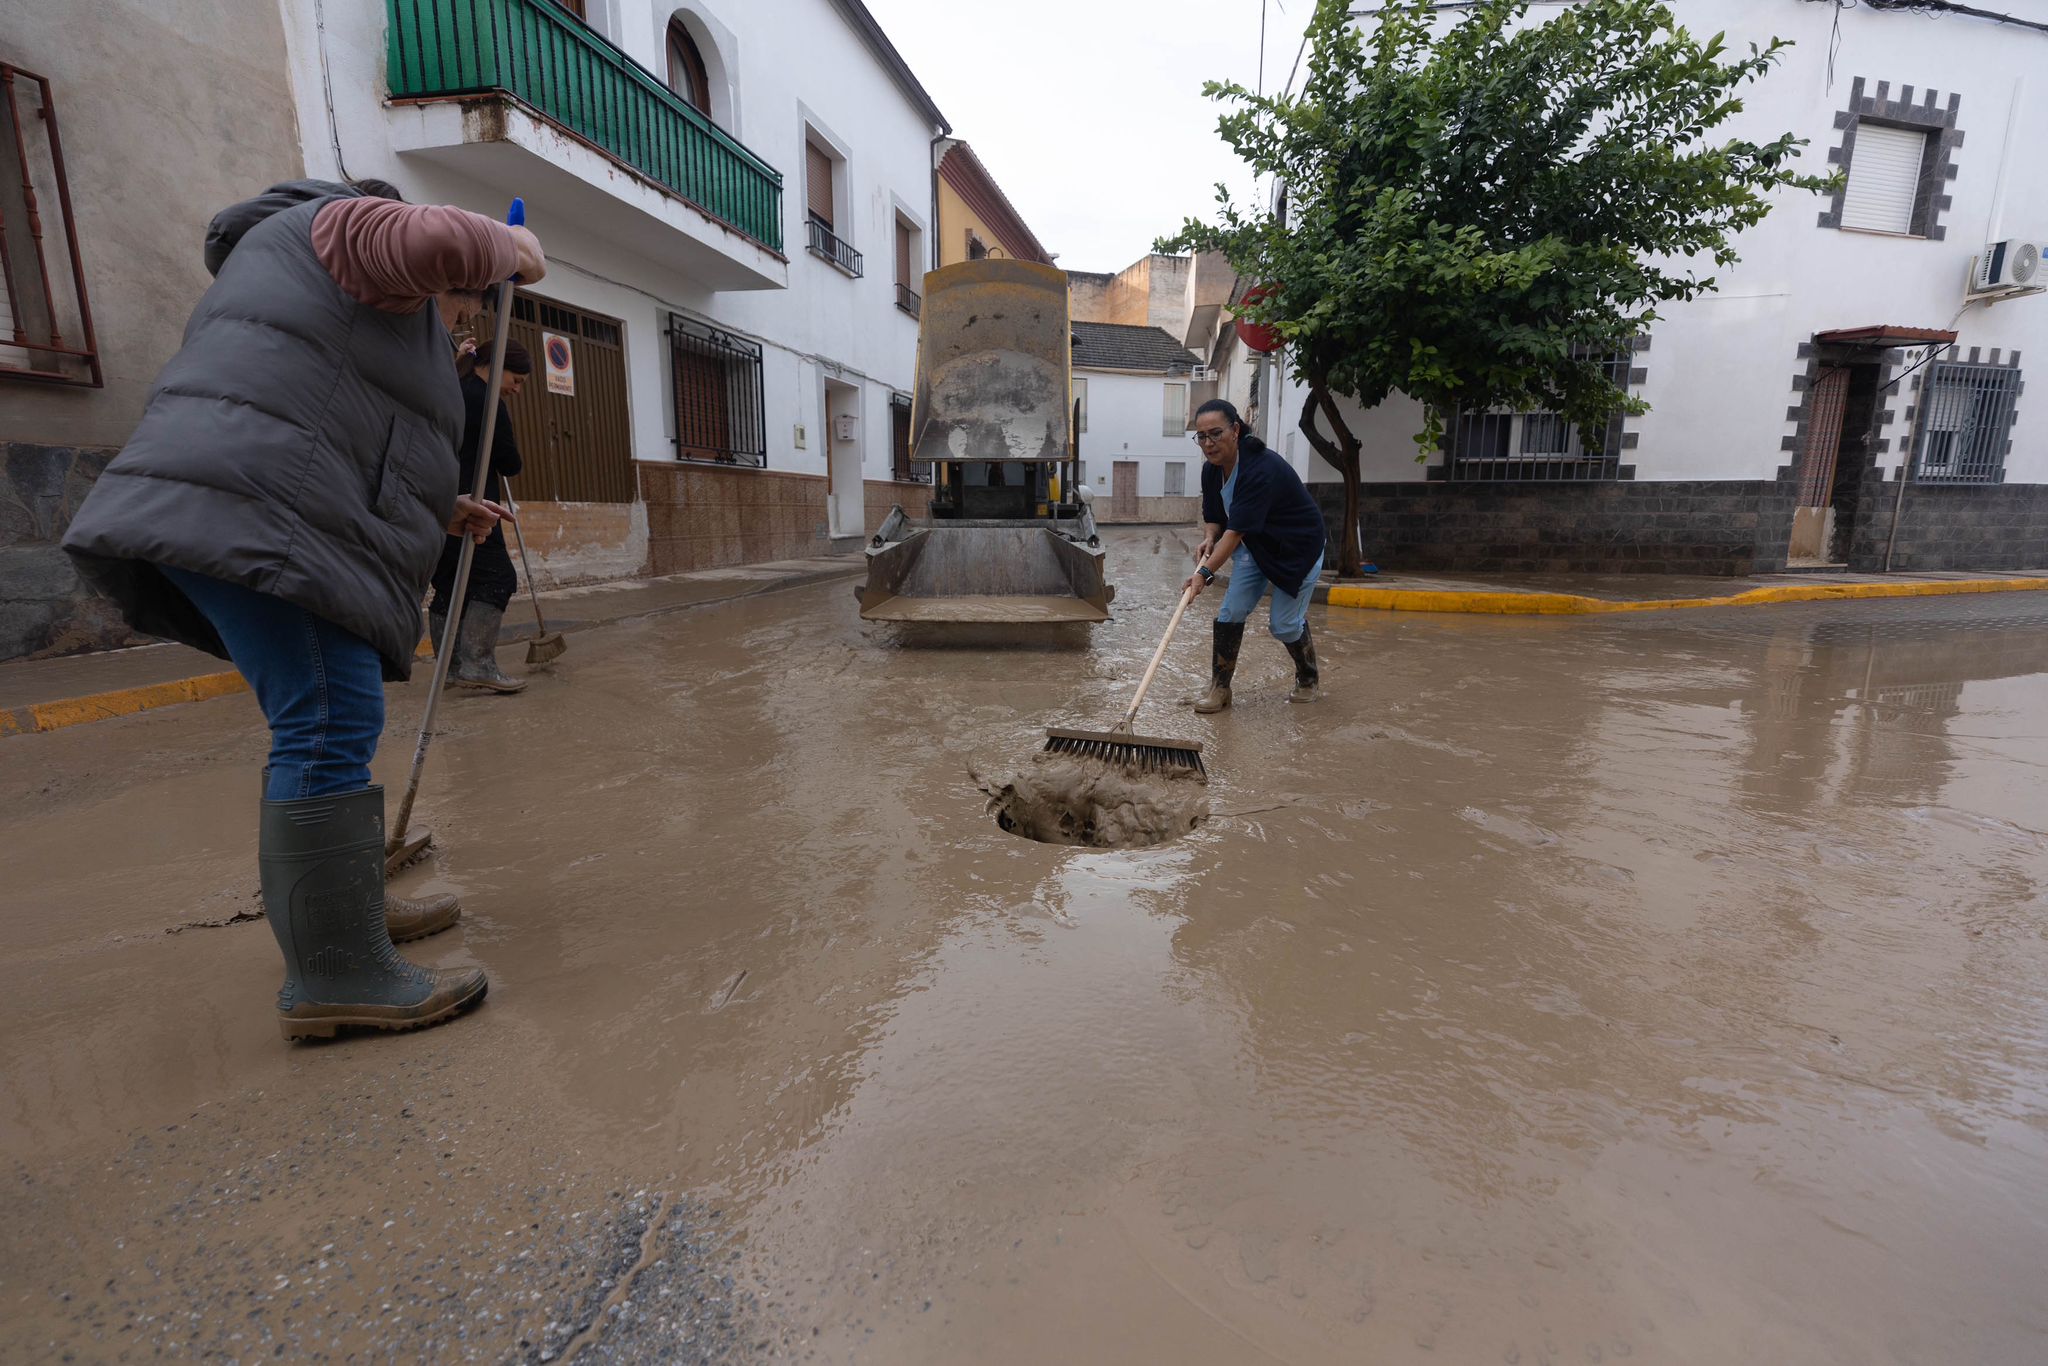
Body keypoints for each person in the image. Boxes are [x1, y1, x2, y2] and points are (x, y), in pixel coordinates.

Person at [62, 179, 547, 1042]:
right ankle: (336, 972)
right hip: (256, 508)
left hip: (254, 500)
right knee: (327, 719)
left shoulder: (308, 282)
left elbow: (335, 417)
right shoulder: (342, 224)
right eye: (453, 297)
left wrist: (442, 508)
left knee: (332, 718)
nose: (451, 306)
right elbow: (440, 238)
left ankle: (348, 923)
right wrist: (518, 252)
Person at [1181, 398, 1327, 710]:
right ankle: (1220, 689)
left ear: (1235, 430)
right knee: (1229, 614)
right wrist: (1209, 539)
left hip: (1295, 549)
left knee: (1284, 624)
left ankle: (1307, 676)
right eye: (1202, 436)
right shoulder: (1212, 470)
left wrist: (1203, 574)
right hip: (1255, 547)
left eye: (1215, 433)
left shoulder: (1260, 468)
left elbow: (1234, 533)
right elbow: (1216, 517)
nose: (1208, 443)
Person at [429, 337, 532, 693]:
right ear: (497, 364)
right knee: (496, 578)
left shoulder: (453, 388)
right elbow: (510, 463)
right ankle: (478, 664)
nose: (516, 389)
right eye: (515, 380)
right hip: (474, 506)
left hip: (439, 502)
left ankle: (451, 668)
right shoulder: (488, 402)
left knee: (448, 582)